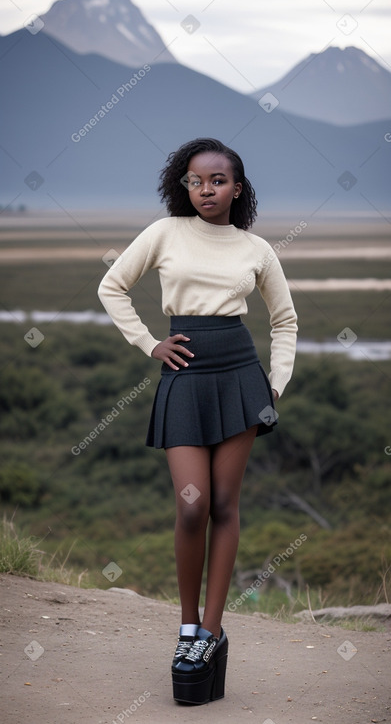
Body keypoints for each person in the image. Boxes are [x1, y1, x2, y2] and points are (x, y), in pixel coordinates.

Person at [98, 137, 297, 705]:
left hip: (239, 374)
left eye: (217, 181)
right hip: (184, 374)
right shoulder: (164, 233)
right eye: (194, 180)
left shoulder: (256, 249)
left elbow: (284, 321)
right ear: (182, 185)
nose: (205, 190)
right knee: (192, 503)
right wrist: (148, 344)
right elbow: (111, 286)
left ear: (237, 187)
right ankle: (187, 628)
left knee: (226, 505)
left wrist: (275, 382)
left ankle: (211, 631)